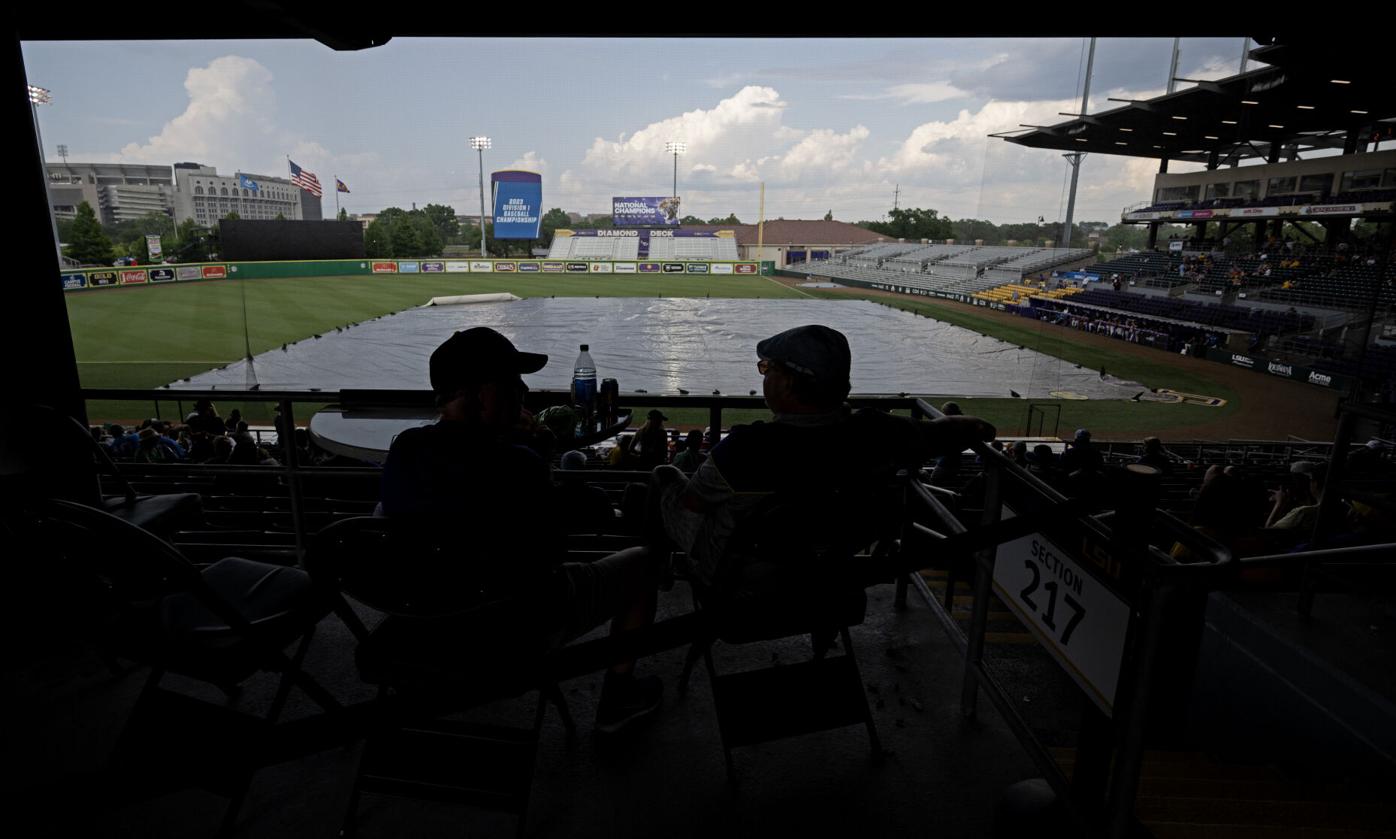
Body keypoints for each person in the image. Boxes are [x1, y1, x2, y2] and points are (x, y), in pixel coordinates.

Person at [379, 327, 663, 734]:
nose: (523, 392)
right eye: (512, 384)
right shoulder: (517, 464)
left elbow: (458, 482)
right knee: (646, 564)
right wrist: (534, 453)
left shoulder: (405, 448)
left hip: (425, 615)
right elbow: (557, 545)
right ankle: (618, 697)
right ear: (481, 393)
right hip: (513, 625)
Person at [651, 325, 995, 593]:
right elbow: (949, 431)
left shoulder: (746, 447)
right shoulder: (879, 431)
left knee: (663, 478)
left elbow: (692, 504)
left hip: (743, 579)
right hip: (829, 574)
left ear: (786, 384)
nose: (764, 373)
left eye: (767, 367)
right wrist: (980, 427)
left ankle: (657, 572)